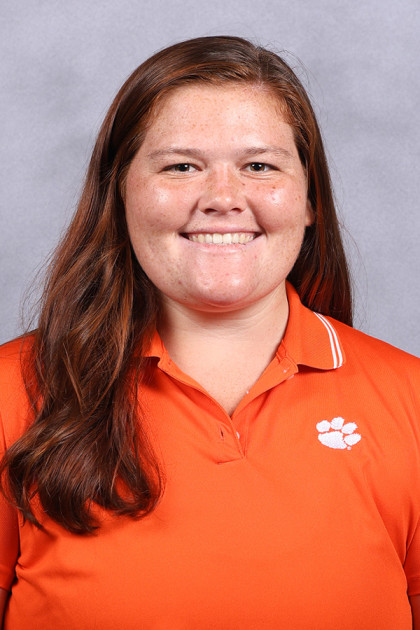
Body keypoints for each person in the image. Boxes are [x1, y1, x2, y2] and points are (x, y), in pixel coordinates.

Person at [0, 35, 419, 629]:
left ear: (310, 200)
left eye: (259, 166)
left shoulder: (411, 400)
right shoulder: (11, 393)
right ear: (119, 194)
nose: (223, 198)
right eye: (181, 166)